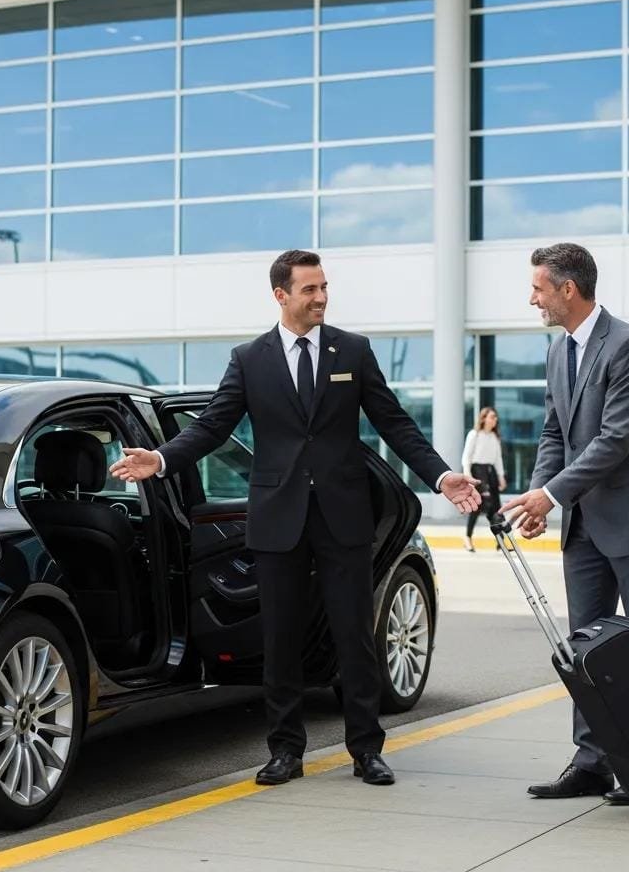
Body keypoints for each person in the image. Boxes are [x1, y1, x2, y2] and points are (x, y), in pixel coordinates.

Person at [110, 249, 481, 787]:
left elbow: (394, 423)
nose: (322, 298)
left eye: (324, 287)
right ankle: (285, 750)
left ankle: (366, 750)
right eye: (310, 290)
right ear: (281, 295)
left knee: (354, 635)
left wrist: (442, 475)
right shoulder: (249, 358)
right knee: (279, 638)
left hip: (343, 516)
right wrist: (162, 459)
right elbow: (213, 427)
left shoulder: (351, 350)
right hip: (279, 517)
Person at [500, 242, 629, 806]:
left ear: (567, 289)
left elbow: (615, 441)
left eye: (538, 288)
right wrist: (538, 495)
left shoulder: (628, 347)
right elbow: (554, 433)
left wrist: (549, 496)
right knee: (585, 648)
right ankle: (594, 762)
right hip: (583, 526)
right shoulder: (558, 352)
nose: (532, 298)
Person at [460, 406, 506, 551]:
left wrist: (501, 476)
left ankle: (500, 541)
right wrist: (468, 477)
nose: (495, 420)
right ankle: (467, 538)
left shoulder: (494, 437)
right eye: (492, 416)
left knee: (496, 507)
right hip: (477, 472)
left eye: (496, 417)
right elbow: (466, 457)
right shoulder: (474, 434)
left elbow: (498, 458)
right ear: (484, 418)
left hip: (490, 472)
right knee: (478, 506)